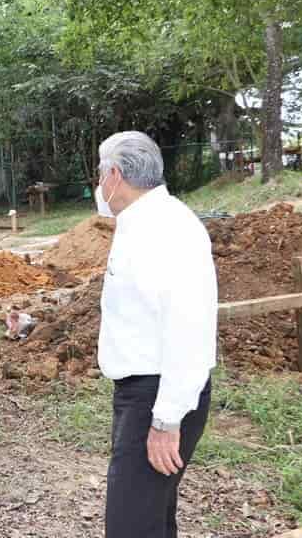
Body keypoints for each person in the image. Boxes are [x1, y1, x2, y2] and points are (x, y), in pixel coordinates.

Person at [95, 131, 217, 538]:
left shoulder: (167, 230)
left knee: (130, 527)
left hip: (159, 394)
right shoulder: (140, 222)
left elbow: (189, 329)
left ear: (114, 174)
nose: (98, 184)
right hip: (142, 392)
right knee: (150, 518)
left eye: (100, 173)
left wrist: (166, 420)